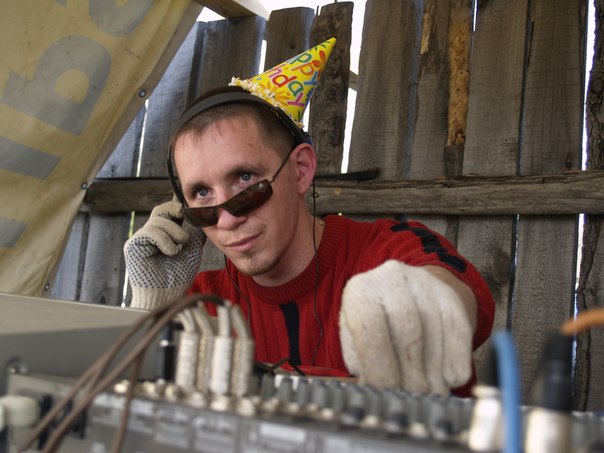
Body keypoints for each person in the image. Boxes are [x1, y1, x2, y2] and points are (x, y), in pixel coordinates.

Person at [124, 38, 495, 397]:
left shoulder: (390, 252)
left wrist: (416, 308)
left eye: (245, 178)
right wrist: (154, 308)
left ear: (300, 170)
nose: (225, 219)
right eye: (202, 194)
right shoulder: (202, 301)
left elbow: (451, 300)